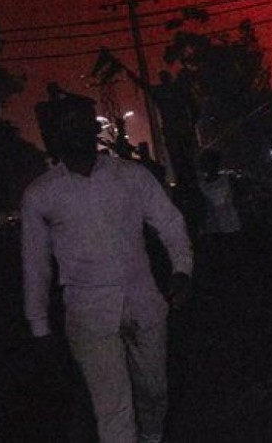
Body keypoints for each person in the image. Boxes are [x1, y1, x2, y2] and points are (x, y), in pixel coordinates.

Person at [22, 88, 193, 443]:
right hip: (89, 315)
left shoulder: (130, 176)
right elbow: (36, 265)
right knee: (113, 409)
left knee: (154, 392)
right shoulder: (41, 194)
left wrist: (182, 269)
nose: (76, 130)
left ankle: (151, 437)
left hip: (143, 303)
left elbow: (170, 223)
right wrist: (39, 326)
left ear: (94, 128)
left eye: (82, 122)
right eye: (67, 125)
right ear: (55, 134)